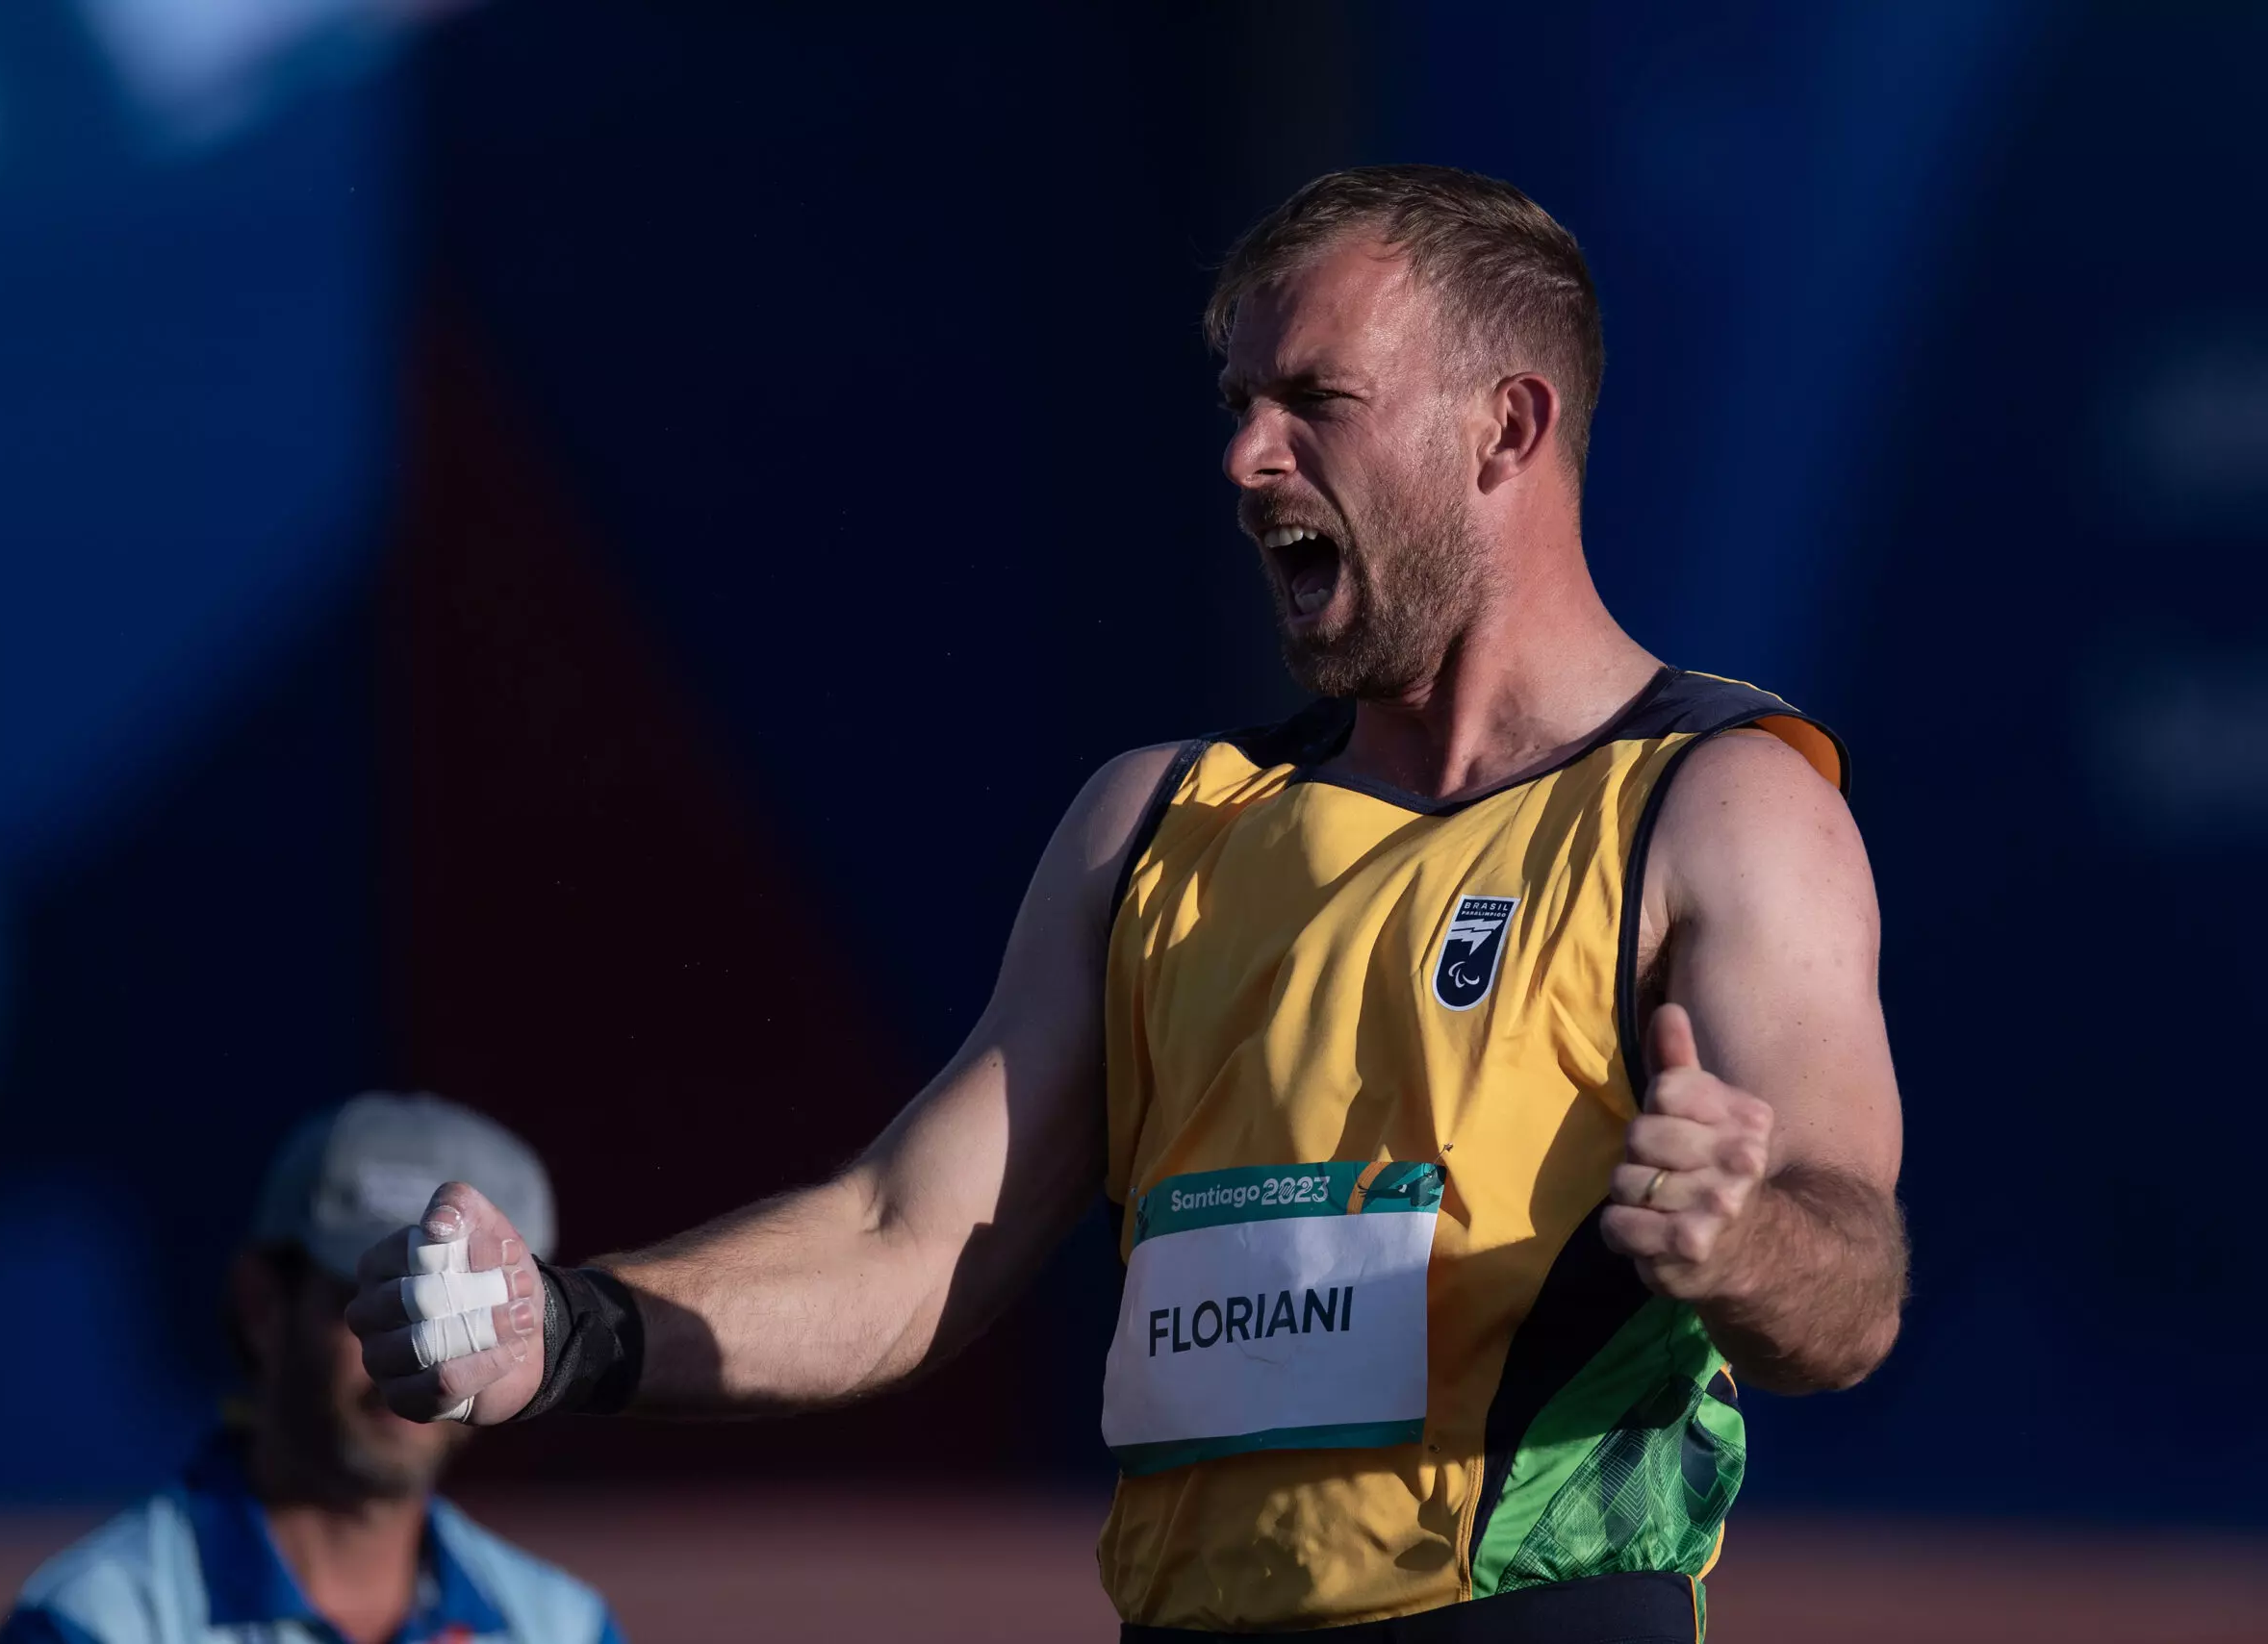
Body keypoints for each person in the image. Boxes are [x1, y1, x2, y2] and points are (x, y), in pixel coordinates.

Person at [347, 165, 1907, 1642]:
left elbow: (1850, 1277)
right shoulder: (1157, 824)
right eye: (1238, 405)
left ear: (1506, 427)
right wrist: (567, 1328)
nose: (1246, 460)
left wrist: (1747, 1235)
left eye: (1315, 402)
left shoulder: (1715, 806)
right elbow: (906, 1234)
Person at [0, 1094, 624, 1644]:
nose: (424, 1354)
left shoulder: (564, 1628)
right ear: (262, 1306)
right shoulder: (91, 1626)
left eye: (465, 1316)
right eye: (381, 1299)